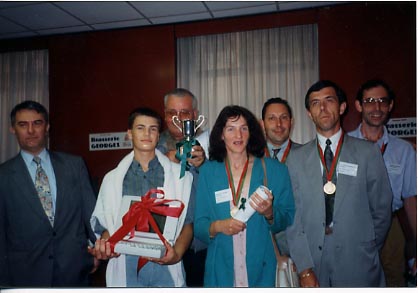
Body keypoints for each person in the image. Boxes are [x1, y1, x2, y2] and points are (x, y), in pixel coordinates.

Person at [286, 80, 392, 287]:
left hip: (359, 260)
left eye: (329, 100)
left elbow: (382, 210)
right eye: (315, 103)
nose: (322, 108)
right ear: (309, 113)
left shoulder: (367, 153)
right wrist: (305, 268)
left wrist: (366, 246)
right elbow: (293, 218)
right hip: (314, 262)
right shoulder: (295, 158)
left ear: (342, 107)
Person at [90, 107, 194, 287]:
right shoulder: (112, 179)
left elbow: (187, 223)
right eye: (140, 128)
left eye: (153, 128)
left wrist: (175, 254)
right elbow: (106, 225)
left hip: (166, 268)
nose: (147, 133)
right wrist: (107, 246)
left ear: (158, 134)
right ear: (129, 134)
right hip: (126, 267)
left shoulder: (181, 177)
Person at [194, 105, 295, 287]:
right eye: (231, 129)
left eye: (244, 128)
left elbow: (287, 217)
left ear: (251, 132)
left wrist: (270, 213)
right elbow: (199, 226)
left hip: (262, 270)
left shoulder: (275, 170)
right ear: (221, 134)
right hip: (220, 271)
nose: (238, 135)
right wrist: (218, 226)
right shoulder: (209, 172)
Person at [0, 100, 97, 287]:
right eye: (23, 124)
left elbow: (91, 215)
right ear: (13, 129)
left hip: (74, 272)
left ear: (47, 127)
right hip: (24, 276)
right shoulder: (3, 176)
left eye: (37, 123)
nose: (30, 130)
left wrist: (95, 249)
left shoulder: (74, 166)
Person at [348, 79, 417, 286]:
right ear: (359, 106)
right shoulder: (344, 145)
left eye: (382, 101)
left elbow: (411, 200)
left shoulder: (404, 151)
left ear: (390, 105)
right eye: (369, 101)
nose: (376, 108)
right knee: (355, 280)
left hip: (391, 226)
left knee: (394, 280)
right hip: (355, 224)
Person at [157, 88, 208, 287]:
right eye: (171, 113)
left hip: (203, 244)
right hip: (166, 243)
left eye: (184, 113)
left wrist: (204, 166)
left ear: (195, 115)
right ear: (164, 114)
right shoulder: (151, 147)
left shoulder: (214, 145)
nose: (177, 119)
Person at [261, 97, 302, 257]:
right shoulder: (250, 159)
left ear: (291, 122)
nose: (278, 124)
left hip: (298, 249)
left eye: (283, 118)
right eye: (272, 118)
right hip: (261, 249)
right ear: (262, 123)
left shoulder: (307, 156)